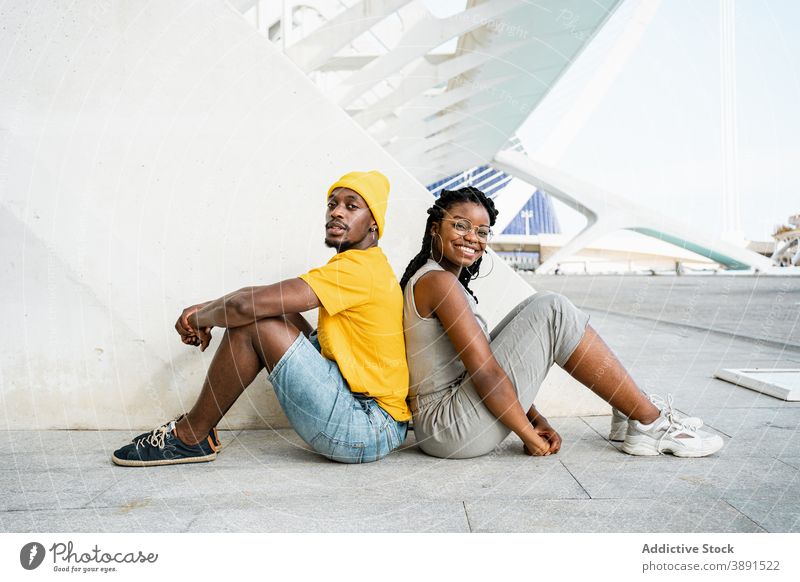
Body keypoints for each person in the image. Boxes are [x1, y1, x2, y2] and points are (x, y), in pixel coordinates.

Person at [400, 186, 723, 459]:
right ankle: (650, 423)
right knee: (553, 310)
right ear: (434, 228)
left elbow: (488, 366)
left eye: (482, 232)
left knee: (541, 304)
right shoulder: (439, 283)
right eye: (460, 226)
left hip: (448, 421)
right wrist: (528, 434)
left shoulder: (440, 280)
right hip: (449, 426)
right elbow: (485, 373)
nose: (472, 237)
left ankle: (630, 411)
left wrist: (537, 417)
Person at [113, 171, 410, 466]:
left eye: (351, 206)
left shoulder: (358, 270)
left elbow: (245, 307)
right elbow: (257, 300)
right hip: (373, 417)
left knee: (255, 321)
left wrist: (201, 317)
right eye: (332, 204)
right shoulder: (361, 265)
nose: (336, 212)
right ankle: (194, 433)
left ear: (374, 223)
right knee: (275, 309)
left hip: (366, 428)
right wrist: (208, 309)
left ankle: (191, 436)